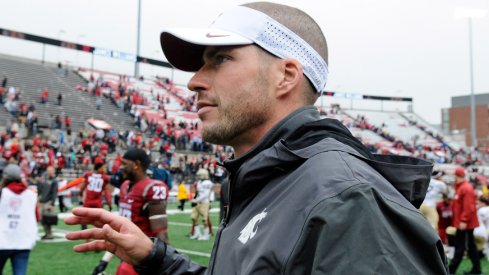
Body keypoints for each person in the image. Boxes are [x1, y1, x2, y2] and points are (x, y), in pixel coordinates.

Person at [65, 2, 448, 274]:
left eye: (220, 59)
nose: (194, 80)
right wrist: (156, 258)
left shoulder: (345, 199)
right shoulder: (269, 177)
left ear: (286, 75)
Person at [90, 148, 170, 275]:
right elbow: (121, 232)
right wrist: (104, 261)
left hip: (144, 259)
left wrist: (161, 267)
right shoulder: (125, 186)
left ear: (137, 165)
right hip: (127, 258)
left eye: (124, 163)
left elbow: (161, 236)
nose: (121, 167)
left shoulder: (153, 188)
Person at [0, 164, 38, 275]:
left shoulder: (2, 193)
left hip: (2, 241)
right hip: (23, 242)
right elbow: (37, 217)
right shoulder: (31, 194)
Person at [448, 167, 481, 274]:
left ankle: (451, 269)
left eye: (455, 176)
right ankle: (477, 270)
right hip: (464, 223)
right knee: (470, 246)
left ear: (459, 176)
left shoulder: (466, 188)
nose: (454, 178)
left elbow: (469, 206)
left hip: (465, 224)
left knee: (460, 247)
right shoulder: (461, 187)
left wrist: (464, 220)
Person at [189, 168, 213, 240]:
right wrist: (194, 198)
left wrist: (196, 200)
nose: (198, 176)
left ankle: (206, 235)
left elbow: (205, 194)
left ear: (204, 175)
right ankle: (197, 234)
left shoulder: (207, 183)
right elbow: (198, 192)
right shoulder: (199, 182)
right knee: (193, 218)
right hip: (197, 202)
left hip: (204, 202)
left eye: (200, 175)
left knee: (204, 220)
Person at [38, 166, 58, 240]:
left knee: (48, 219)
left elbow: (54, 193)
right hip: (42, 201)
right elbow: (40, 190)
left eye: (51, 170)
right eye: (48, 170)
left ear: (53, 171)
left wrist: (52, 204)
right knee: (42, 219)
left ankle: (49, 234)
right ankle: (46, 233)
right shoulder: (43, 179)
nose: (49, 172)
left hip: (48, 202)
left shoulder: (54, 181)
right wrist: (38, 200)